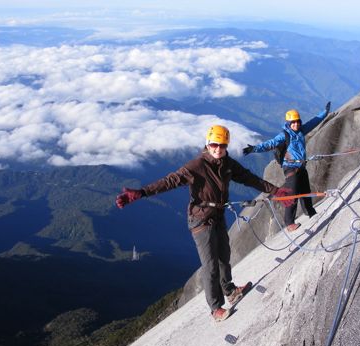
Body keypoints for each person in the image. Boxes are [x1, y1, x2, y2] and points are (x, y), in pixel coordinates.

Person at [116, 125, 293, 322]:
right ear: (208, 144)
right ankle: (216, 308)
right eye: (214, 145)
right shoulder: (197, 165)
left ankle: (230, 290)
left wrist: (275, 191)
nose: (218, 149)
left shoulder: (226, 163)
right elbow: (170, 181)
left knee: (224, 255)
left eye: (222, 145)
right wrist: (141, 193)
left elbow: (248, 178)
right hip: (200, 219)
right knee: (210, 265)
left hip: (217, 215)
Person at [242, 102, 331, 232]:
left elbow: (314, 121)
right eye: (293, 122)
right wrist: (254, 149)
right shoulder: (285, 135)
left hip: (301, 166)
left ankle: (310, 212)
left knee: (305, 190)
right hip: (290, 168)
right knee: (292, 194)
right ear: (288, 124)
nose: (296, 124)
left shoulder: (301, 131)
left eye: (297, 122)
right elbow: (270, 144)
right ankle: (289, 223)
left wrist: (325, 112)